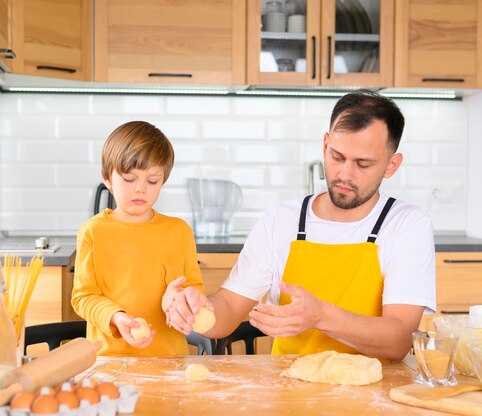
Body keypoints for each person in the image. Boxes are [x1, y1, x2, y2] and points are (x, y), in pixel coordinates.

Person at [163, 90, 436, 360]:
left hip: (377, 393)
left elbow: (399, 340)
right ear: (325, 144)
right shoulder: (281, 220)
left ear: (391, 165)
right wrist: (197, 310)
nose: (344, 174)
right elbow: (229, 308)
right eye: (337, 156)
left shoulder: (406, 225)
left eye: (363, 163)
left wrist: (321, 316)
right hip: (290, 391)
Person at [72, 120, 204, 356]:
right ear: (108, 179)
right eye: (129, 179)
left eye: (152, 180)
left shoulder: (178, 231)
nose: (141, 189)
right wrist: (116, 317)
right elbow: (84, 297)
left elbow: (193, 288)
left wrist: (180, 300)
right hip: (110, 363)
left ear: (163, 180)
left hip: (169, 362)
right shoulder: (93, 232)